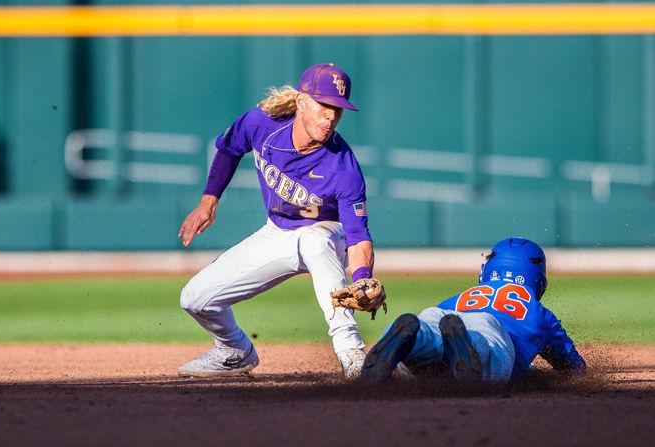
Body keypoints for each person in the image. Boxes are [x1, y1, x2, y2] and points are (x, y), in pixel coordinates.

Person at [177, 63, 374, 378]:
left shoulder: (343, 167)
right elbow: (229, 149)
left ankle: (351, 353)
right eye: (325, 105)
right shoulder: (262, 123)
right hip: (278, 232)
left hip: (326, 233)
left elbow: (357, 234)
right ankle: (234, 352)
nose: (331, 116)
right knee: (195, 298)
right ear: (301, 102)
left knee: (314, 241)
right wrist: (208, 201)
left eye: (338, 109)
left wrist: (363, 276)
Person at [361, 237, 587, 383]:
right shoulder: (539, 312)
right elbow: (572, 367)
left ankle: (412, 337)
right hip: (489, 329)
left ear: (488, 269)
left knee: (427, 329)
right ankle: (467, 348)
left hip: (451, 314)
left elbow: (441, 315)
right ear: (537, 277)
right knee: (489, 354)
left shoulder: (463, 296)